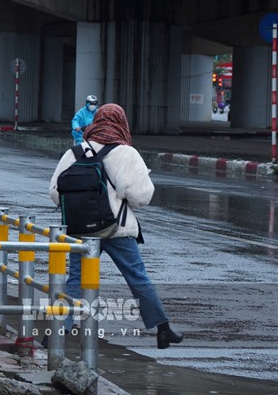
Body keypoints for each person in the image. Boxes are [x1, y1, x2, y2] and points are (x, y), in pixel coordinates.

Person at [49, 103, 183, 350]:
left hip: (80, 231)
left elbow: (55, 192)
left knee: (75, 282)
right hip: (117, 229)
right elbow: (141, 196)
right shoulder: (127, 153)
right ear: (122, 123)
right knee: (137, 277)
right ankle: (163, 330)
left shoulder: (75, 151)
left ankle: (56, 331)